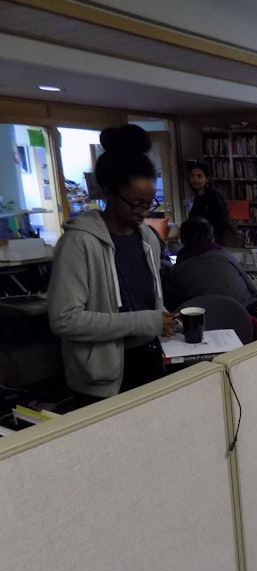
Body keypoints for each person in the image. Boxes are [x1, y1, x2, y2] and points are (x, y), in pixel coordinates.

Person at [48, 124, 179, 403]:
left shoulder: (147, 238)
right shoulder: (79, 242)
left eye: (149, 203)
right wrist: (144, 321)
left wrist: (164, 317)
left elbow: (148, 302)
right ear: (108, 192)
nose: (144, 212)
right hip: (101, 377)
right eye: (135, 204)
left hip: (149, 359)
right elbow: (64, 319)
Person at [170, 217, 257, 333]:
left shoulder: (178, 270)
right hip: (251, 318)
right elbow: (250, 287)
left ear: (183, 239)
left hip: (213, 326)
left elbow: (181, 303)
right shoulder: (224, 255)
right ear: (211, 235)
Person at [186, 160, 240, 248]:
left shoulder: (214, 197)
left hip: (215, 242)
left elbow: (221, 222)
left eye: (199, 176)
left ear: (207, 179)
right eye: (192, 176)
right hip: (201, 241)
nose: (195, 179)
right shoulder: (197, 198)